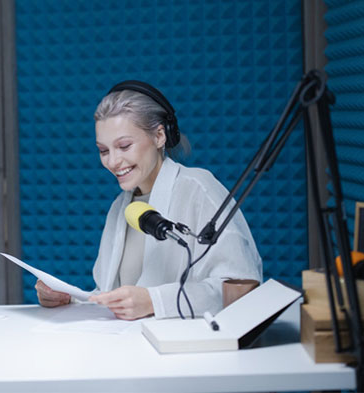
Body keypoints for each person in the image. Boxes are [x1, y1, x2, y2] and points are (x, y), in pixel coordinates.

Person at [35, 81, 262, 320]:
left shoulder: (198, 189)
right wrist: (70, 299)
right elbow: (120, 296)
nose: (113, 162)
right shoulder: (121, 208)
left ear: (159, 135)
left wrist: (155, 301)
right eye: (104, 151)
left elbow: (242, 291)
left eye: (124, 146)